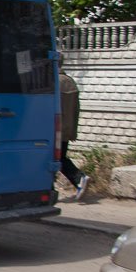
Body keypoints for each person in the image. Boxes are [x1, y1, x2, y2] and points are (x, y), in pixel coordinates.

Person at [60, 69, 89, 200]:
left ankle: (79, 177)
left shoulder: (54, 82)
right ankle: (78, 180)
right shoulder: (70, 82)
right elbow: (76, 110)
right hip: (66, 129)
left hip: (53, 129)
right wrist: (73, 132)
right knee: (59, 158)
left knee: (56, 159)